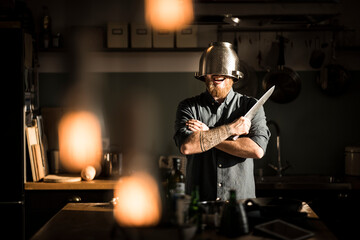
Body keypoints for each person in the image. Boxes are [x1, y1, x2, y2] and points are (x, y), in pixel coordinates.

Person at [173, 42, 270, 201]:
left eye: (222, 73)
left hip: (241, 202)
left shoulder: (251, 106)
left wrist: (206, 134)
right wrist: (230, 130)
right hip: (200, 201)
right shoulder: (188, 107)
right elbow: (188, 146)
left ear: (234, 76)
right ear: (203, 75)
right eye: (212, 72)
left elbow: (256, 150)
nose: (217, 75)